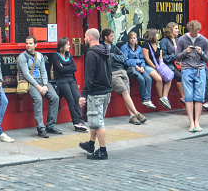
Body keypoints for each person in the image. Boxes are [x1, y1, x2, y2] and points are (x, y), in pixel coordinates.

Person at [17, 36, 61, 138]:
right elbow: (26, 75)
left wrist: (45, 84)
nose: (28, 45)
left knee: (55, 98)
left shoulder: (40, 56)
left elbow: (43, 71)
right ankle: (41, 129)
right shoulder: (22, 57)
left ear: (35, 45)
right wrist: (39, 87)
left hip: (42, 81)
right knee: (38, 100)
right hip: (30, 83)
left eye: (30, 43)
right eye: (27, 43)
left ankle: (50, 125)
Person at [78, 28, 112, 160]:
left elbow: (89, 77)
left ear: (90, 38)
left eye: (85, 37)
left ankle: (103, 151)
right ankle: (91, 144)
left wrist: (83, 95)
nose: (84, 39)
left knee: (98, 123)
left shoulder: (91, 54)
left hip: (96, 93)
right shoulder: (106, 50)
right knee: (96, 119)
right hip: (106, 91)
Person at [101, 29, 147, 125]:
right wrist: (114, 57)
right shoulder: (101, 47)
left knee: (127, 95)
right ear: (105, 37)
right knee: (125, 92)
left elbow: (122, 58)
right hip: (112, 73)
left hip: (122, 71)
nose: (113, 38)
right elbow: (104, 60)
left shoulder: (114, 47)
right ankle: (137, 113)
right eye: (111, 36)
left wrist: (112, 56)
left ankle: (132, 116)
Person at [175, 20, 208, 132]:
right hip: (187, 69)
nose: (194, 34)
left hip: (200, 69)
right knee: (188, 96)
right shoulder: (182, 39)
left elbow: (207, 59)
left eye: (196, 32)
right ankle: (191, 123)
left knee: (199, 96)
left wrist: (201, 53)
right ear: (189, 30)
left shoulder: (204, 40)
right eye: (192, 32)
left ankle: (197, 122)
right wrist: (186, 51)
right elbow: (177, 57)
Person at [52, 37, 88, 132]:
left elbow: (75, 68)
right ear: (62, 45)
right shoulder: (56, 56)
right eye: (67, 44)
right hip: (62, 81)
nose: (69, 46)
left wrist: (65, 67)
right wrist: (68, 67)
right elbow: (60, 70)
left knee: (78, 98)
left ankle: (80, 121)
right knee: (71, 100)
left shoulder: (69, 56)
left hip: (71, 80)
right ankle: (76, 123)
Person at [120, 32, 155, 109]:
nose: (133, 39)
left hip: (140, 67)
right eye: (131, 38)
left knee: (148, 79)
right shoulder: (124, 47)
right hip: (130, 68)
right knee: (141, 79)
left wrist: (142, 66)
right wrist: (135, 66)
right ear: (128, 39)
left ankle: (148, 99)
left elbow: (142, 59)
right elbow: (125, 60)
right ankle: (143, 99)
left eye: (134, 38)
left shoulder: (139, 48)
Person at [142, 28, 172, 109]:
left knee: (169, 77)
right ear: (152, 35)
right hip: (148, 66)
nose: (158, 35)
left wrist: (160, 66)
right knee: (159, 79)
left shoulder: (158, 44)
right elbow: (147, 59)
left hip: (158, 65)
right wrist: (155, 67)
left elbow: (160, 57)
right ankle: (161, 98)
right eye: (157, 34)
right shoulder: (145, 44)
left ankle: (165, 97)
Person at [160, 22, 185, 104]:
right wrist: (176, 56)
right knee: (180, 76)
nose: (178, 30)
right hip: (170, 65)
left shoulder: (179, 40)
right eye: (176, 28)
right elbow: (164, 57)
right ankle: (183, 97)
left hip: (180, 64)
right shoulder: (164, 41)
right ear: (171, 30)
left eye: (178, 28)